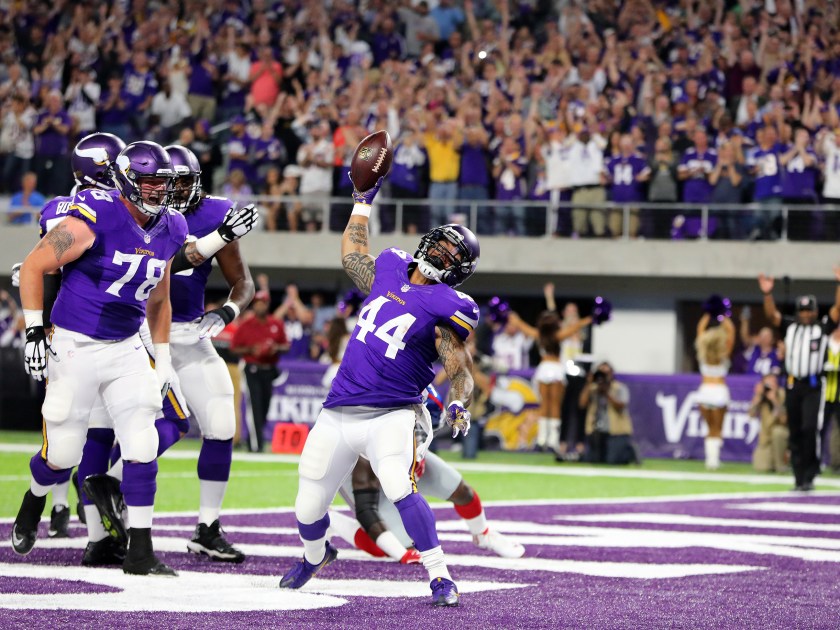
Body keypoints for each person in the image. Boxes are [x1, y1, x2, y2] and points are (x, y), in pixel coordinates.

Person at [278, 174, 480, 608]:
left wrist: (460, 402)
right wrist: (361, 202)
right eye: (440, 244)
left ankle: (440, 575)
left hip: (393, 412)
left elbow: (459, 368)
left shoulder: (448, 305)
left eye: (452, 254)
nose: (440, 254)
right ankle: (316, 556)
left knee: (398, 484)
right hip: (338, 411)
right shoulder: (389, 267)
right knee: (307, 507)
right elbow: (354, 256)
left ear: (459, 271)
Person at [12, 141, 188, 576]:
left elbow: (160, 300)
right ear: (126, 180)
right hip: (75, 343)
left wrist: (162, 359)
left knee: (142, 439)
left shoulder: (172, 227)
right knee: (64, 455)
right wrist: (35, 330)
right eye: (148, 183)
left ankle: (140, 552)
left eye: (161, 184)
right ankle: (35, 496)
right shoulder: (97, 214)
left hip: (126, 345)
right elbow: (34, 267)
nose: (157, 192)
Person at [82, 145, 258, 564]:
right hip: (141, 332)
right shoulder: (136, 211)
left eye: (180, 182)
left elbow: (242, 280)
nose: (170, 190)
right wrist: (221, 236)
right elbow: (170, 263)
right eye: (164, 180)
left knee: (221, 422)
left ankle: (207, 527)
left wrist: (228, 311)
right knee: (157, 424)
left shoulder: (212, 212)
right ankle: (106, 496)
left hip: (191, 334)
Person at [758, 272, 840, 491]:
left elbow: (837, 310)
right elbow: (772, 315)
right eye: (801, 310)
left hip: (813, 386)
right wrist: (767, 293)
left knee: (810, 428)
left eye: (808, 310)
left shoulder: (822, 328)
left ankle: (810, 473)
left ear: (815, 311)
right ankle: (798, 476)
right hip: (793, 385)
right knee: (794, 430)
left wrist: (839, 284)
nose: (805, 314)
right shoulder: (790, 327)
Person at [231, 290, 289, 452]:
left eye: (262, 303)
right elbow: (234, 348)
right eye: (257, 303)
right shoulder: (246, 325)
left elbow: (286, 345)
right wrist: (250, 349)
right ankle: (256, 446)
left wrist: (275, 348)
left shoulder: (275, 324)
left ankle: (253, 439)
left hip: (269, 369)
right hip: (252, 369)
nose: (259, 306)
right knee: (255, 406)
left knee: (264, 407)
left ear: (267, 304)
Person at [694, 298, 736, 470]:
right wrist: (721, 315)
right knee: (718, 427)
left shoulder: (703, 354)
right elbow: (731, 331)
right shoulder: (723, 354)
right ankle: (714, 459)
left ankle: (710, 459)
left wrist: (708, 313)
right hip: (718, 391)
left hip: (704, 391)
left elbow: (700, 329)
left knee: (709, 427)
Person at [579, 361, 637, 464]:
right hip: (596, 431)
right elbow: (582, 404)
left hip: (616, 432)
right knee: (592, 460)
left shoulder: (619, 387)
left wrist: (607, 393)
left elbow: (621, 406)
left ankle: (630, 451)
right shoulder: (593, 389)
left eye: (606, 373)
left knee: (612, 461)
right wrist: (589, 383)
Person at [749, 373, 788, 473]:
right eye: (767, 384)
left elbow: (784, 420)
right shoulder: (762, 397)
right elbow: (751, 414)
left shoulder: (782, 394)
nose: (770, 386)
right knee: (761, 467)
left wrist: (775, 401)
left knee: (777, 432)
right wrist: (757, 397)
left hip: (783, 435)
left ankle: (781, 464)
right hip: (766, 438)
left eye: (773, 383)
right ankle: (773, 461)